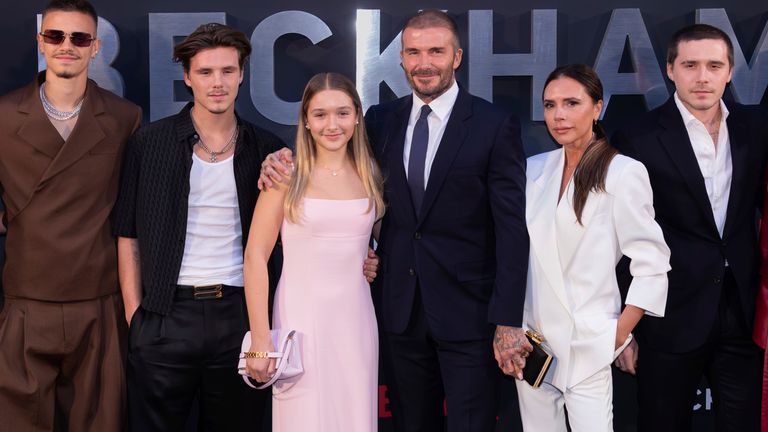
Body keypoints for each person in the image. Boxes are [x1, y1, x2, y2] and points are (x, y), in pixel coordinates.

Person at [259, 10, 531, 431]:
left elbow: (512, 229)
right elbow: (349, 188)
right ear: (400, 58)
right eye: (414, 52)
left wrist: (508, 319)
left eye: (436, 51)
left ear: (456, 57)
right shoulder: (381, 121)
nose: (424, 63)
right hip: (397, 313)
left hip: (468, 314)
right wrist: (277, 160)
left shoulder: (494, 125)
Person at [112, 23, 284, 431]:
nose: (218, 83)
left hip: (239, 317)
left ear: (242, 74)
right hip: (164, 317)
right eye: (205, 72)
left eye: (227, 71)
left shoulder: (267, 149)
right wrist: (137, 319)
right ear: (188, 78)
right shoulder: (149, 144)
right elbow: (128, 236)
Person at [613, 23, 767, 432]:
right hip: (668, 317)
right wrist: (625, 330)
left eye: (714, 65)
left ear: (730, 72)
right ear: (670, 70)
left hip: (742, 315)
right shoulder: (637, 137)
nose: (702, 77)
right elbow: (619, 238)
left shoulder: (756, 129)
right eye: (691, 65)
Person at [0, 1, 141, 430]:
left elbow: (133, 215)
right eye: (56, 36)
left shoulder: (122, 118)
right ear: (40, 41)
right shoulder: (4, 115)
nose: (67, 46)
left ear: (95, 47)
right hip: (26, 300)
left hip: (98, 304)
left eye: (79, 38)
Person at [518, 64, 670, 432]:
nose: (559, 115)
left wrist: (617, 334)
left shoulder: (622, 171)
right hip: (534, 343)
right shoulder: (533, 169)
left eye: (572, 103)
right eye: (550, 104)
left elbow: (652, 261)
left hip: (588, 344)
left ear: (597, 107)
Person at [243, 72, 385, 431]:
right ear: (306, 120)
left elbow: (379, 240)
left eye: (342, 113)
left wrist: (374, 259)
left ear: (356, 116)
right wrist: (261, 342)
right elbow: (256, 257)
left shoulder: (370, 174)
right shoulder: (285, 175)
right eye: (320, 114)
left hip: (356, 324)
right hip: (298, 325)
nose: (332, 124)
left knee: (354, 418)